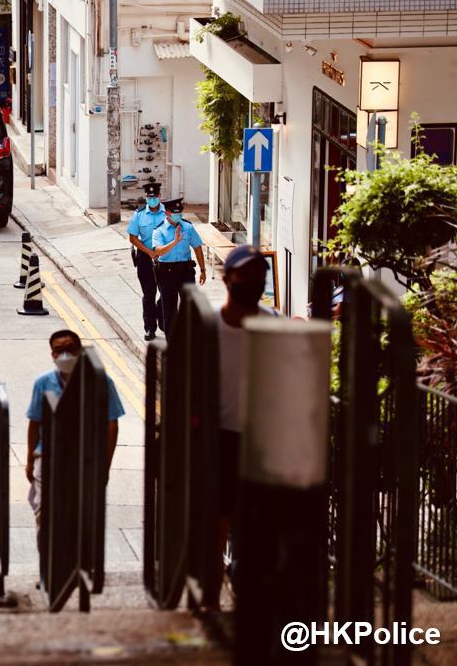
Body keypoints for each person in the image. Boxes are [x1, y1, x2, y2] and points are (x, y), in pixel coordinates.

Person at [210, 244, 276, 611]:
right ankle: (209, 600)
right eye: (245, 274)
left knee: (256, 526)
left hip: (261, 442)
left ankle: (249, 596)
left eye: (259, 275)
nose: (253, 281)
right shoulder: (209, 328)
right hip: (219, 439)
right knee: (215, 526)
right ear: (227, 279)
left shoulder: (274, 325)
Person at [25, 330, 125, 552]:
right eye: (58, 351)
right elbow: (34, 422)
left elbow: (112, 423)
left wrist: (105, 464)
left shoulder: (100, 382)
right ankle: (48, 565)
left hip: (84, 456)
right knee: (44, 510)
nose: (65, 355)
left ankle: (80, 564)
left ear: (80, 351)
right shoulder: (43, 383)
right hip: (48, 455)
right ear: (51, 354)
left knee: (81, 513)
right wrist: (31, 459)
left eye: (70, 349)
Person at [152, 200, 206, 336]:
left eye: (180, 213)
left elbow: (197, 248)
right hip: (166, 272)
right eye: (175, 213)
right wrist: (174, 242)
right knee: (169, 308)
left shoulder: (188, 227)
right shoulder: (159, 230)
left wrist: (203, 270)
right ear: (167, 213)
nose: (178, 216)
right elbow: (158, 251)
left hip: (185, 271)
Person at [126, 182, 166, 341]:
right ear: (146, 198)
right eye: (149, 197)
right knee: (148, 294)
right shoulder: (139, 214)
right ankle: (150, 327)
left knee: (166, 293)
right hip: (145, 257)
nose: (152, 199)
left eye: (155, 197)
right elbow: (133, 237)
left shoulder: (167, 213)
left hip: (165, 258)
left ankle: (163, 319)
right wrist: (149, 252)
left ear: (159, 196)